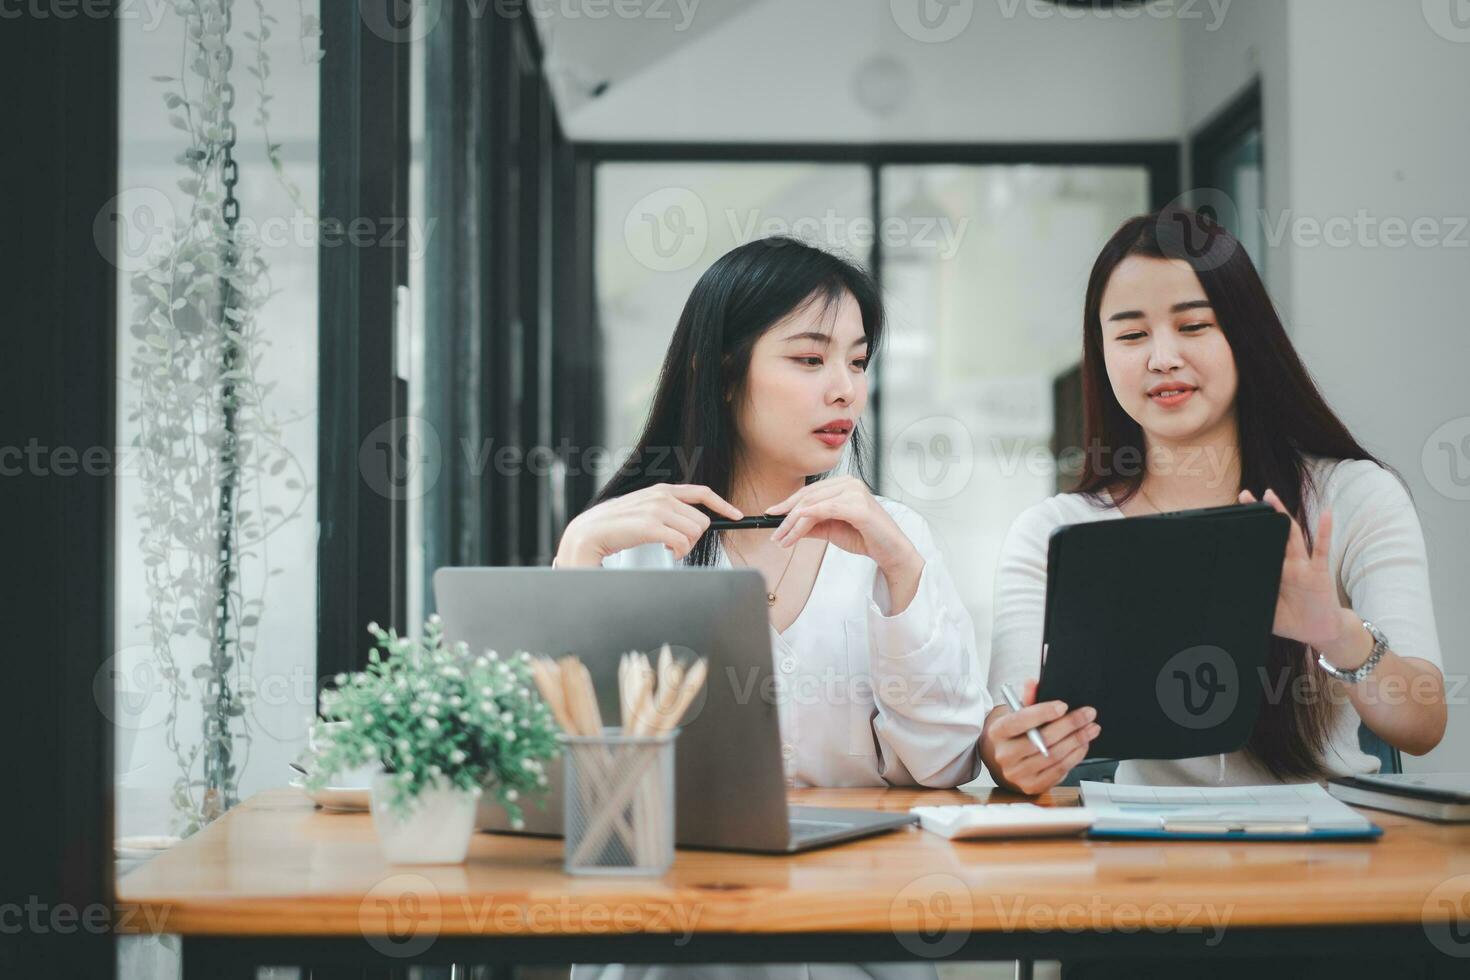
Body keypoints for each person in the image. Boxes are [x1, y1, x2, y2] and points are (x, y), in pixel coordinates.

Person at [556, 236, 989, 980]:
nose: (846, 390)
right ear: (724, 374)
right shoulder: (629, 542)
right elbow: (559, 781)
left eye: (857, 361)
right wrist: (575, 553)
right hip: (673, 931)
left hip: (862, 928)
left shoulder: (897, 539)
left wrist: (901, 571)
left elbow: (945, 763)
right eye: (810, 358)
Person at [983, 207, 1446, 796]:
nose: (1162, 357)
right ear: (1101, 355)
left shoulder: (1353, 496)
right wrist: (1009, 750)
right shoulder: (1055, 530)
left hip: (1329, 850)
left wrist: (1335, 631)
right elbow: (1006, 722)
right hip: (1136, 859)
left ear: (1245, 336)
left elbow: (1424, 723)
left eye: (1194, 325)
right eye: (1130, 335)